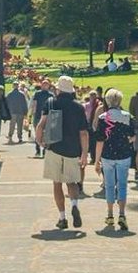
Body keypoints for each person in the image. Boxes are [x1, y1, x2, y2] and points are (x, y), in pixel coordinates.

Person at [36, 75, 89, 229]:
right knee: (72, 182)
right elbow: (84, 133)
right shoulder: (79, 107)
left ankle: (62, 217)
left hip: (54, 147)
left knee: (57, 183)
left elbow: (41, 125)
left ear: (58, 89)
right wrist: (85, 153)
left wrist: (40, 141)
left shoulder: (51, 103)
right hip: (72, 150)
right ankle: (74, 204)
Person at [94, 87, 135, 230]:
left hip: (107, 155)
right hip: (123, 154)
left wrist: (96, 160)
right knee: (122, 185)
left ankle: (110, 214)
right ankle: (122, 214)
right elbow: (134, 135)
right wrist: (126, 141)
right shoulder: (127, 116)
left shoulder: (102, 118)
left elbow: (100, 140)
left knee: (110, 185)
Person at [30, 77, 52, 158]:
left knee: (38, 133)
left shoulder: (38, 94)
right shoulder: (50, 95)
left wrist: (32, 114)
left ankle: (39, 150)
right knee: (45, 133)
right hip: (45, 116)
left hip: (40, 116)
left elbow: (34, 105)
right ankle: (42, 150)